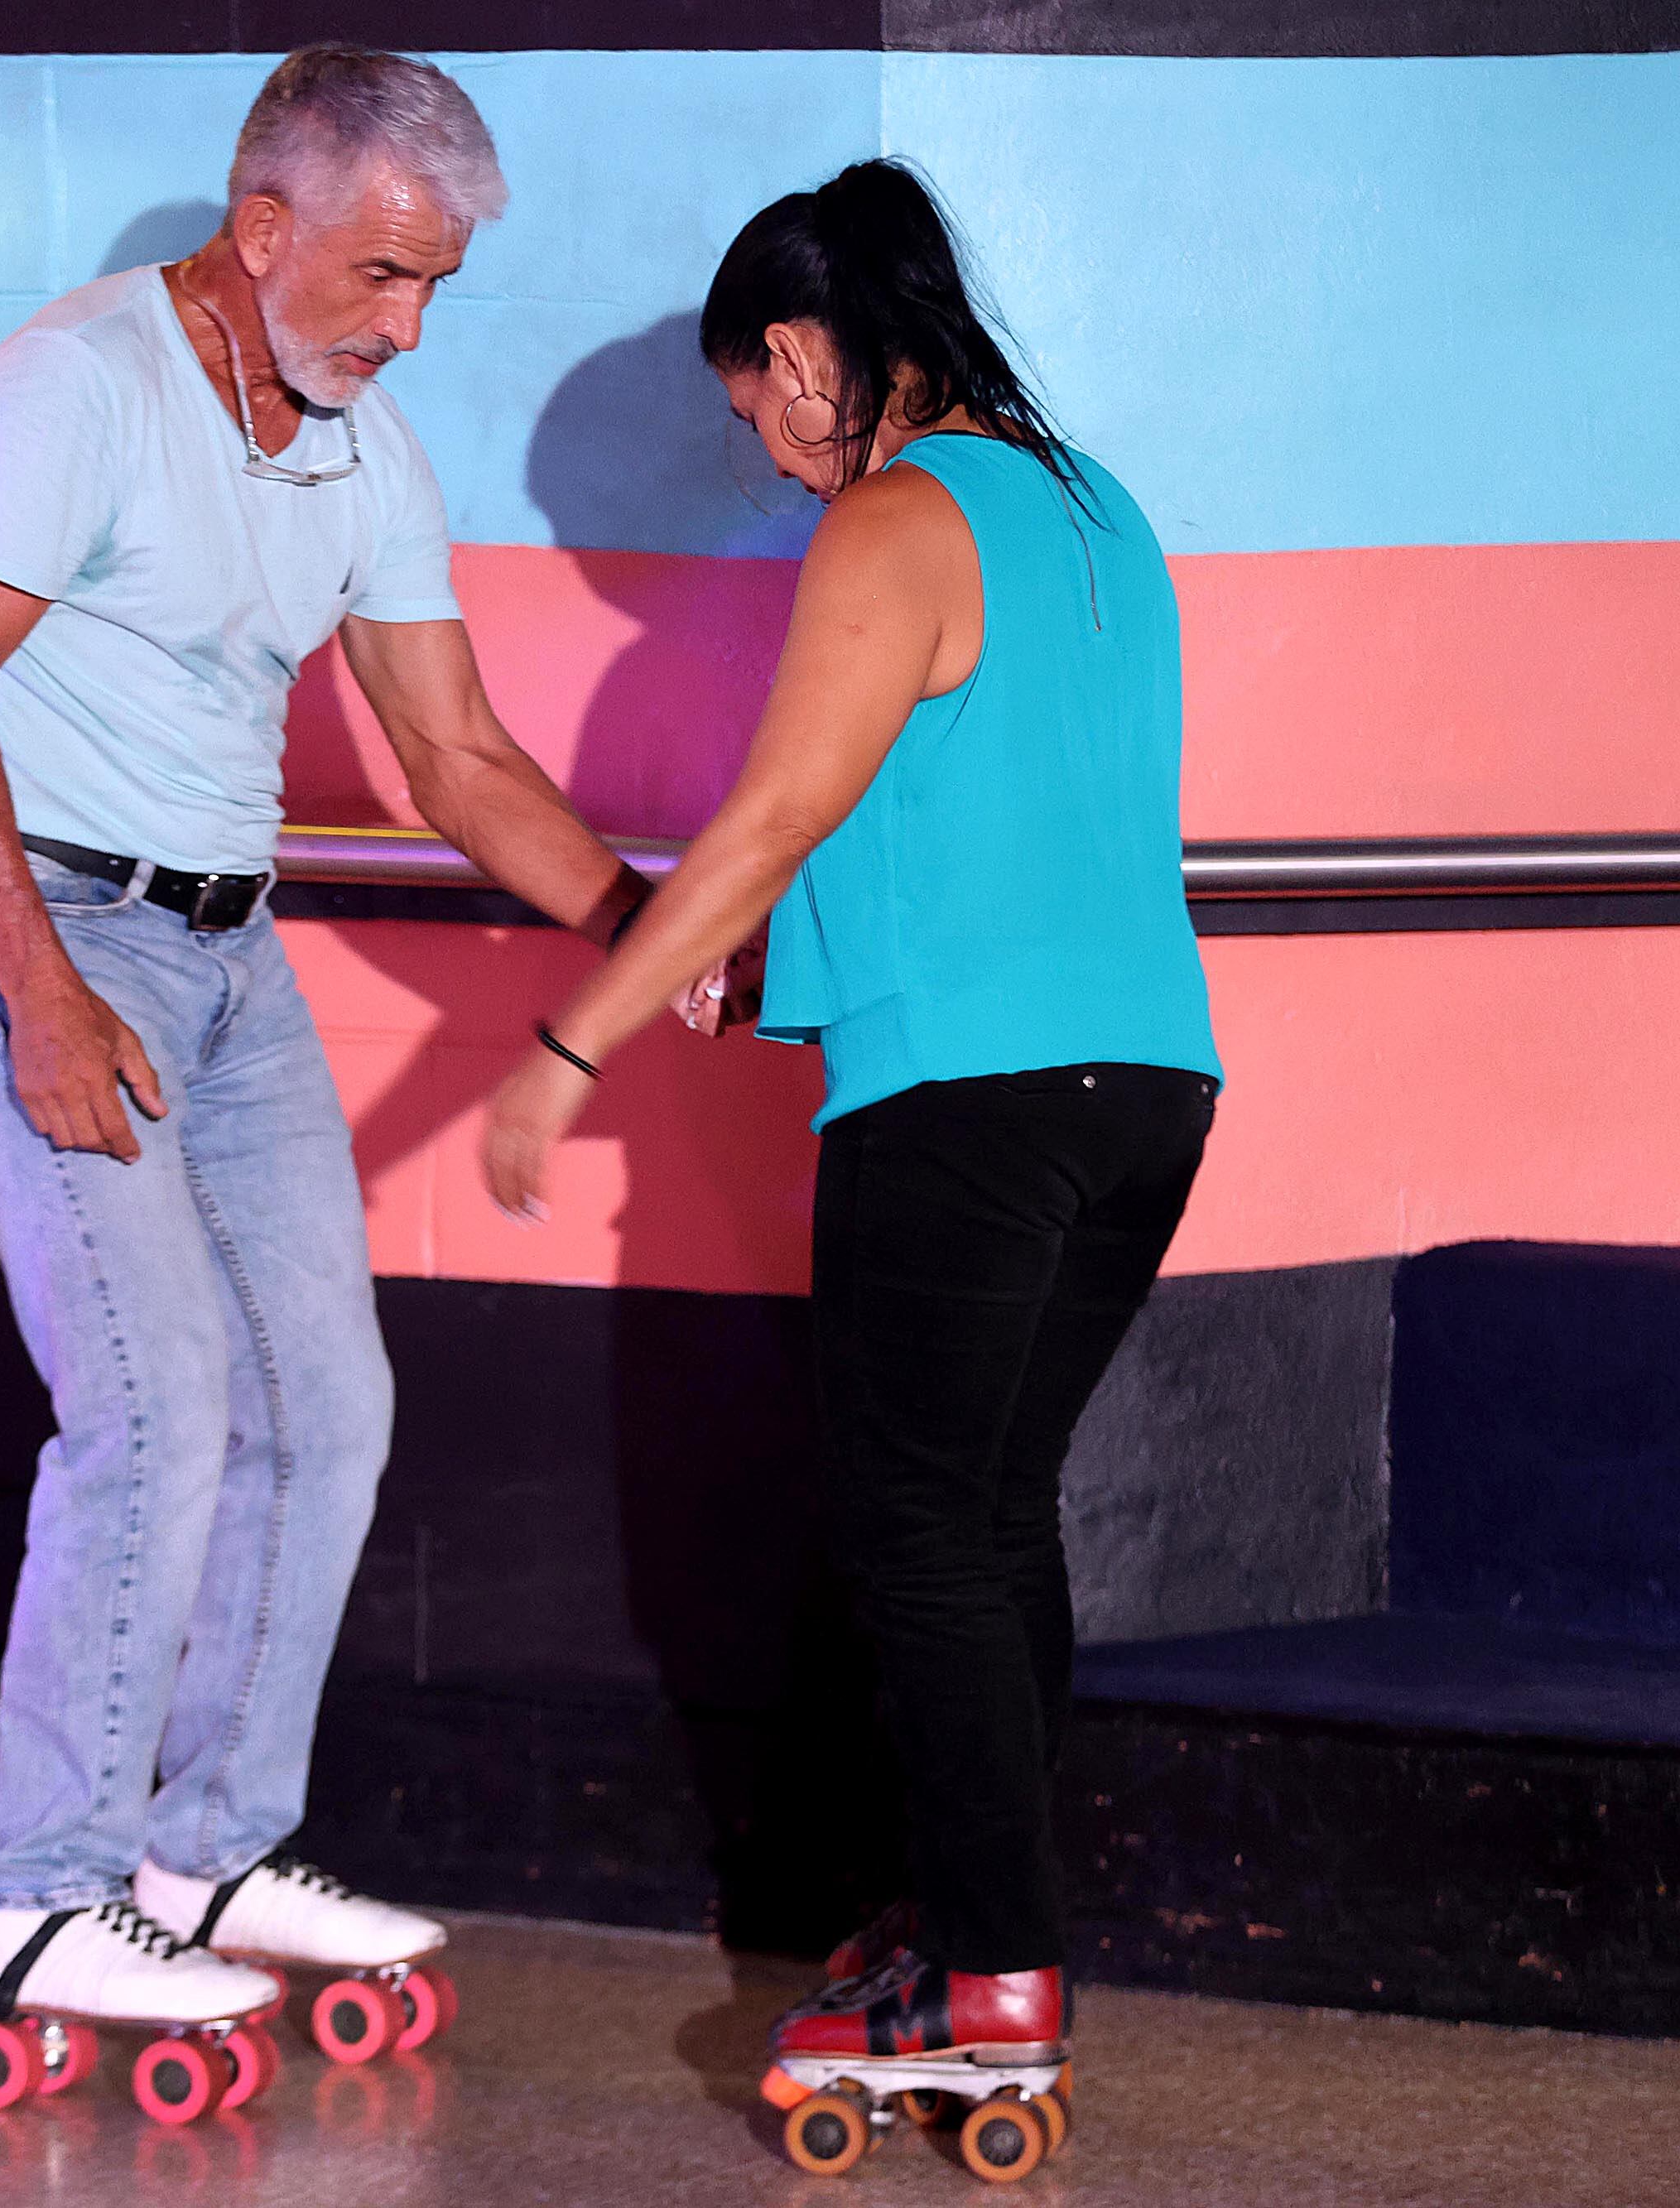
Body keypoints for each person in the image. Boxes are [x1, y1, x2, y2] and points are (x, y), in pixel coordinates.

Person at [0, 46, 661, 2037]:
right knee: (152, 1408)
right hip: (46, 933)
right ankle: (38, 1890)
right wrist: (37, 984)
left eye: (434, 290)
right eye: (382, 276)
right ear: (264, 228)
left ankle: (204, 1845)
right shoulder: (75, 388)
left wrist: (665, 940)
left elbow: (459, 756)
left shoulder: (356, 454)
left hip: (228, 962)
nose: (404, 328)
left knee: (328, 1404)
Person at [481, 161, 1223, 2085]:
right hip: (1144, 1086)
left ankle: (987, 1986)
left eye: (755, 413)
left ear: (807, 354)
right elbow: (984, 811)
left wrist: (570, 1046)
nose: (777, 460)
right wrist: (772, 967)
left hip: (963, 1106)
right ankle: (982, 1933)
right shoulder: (1095, 508)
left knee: (920, 1536)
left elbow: (771, 814)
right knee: (984, 1521)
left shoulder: (895, 517)